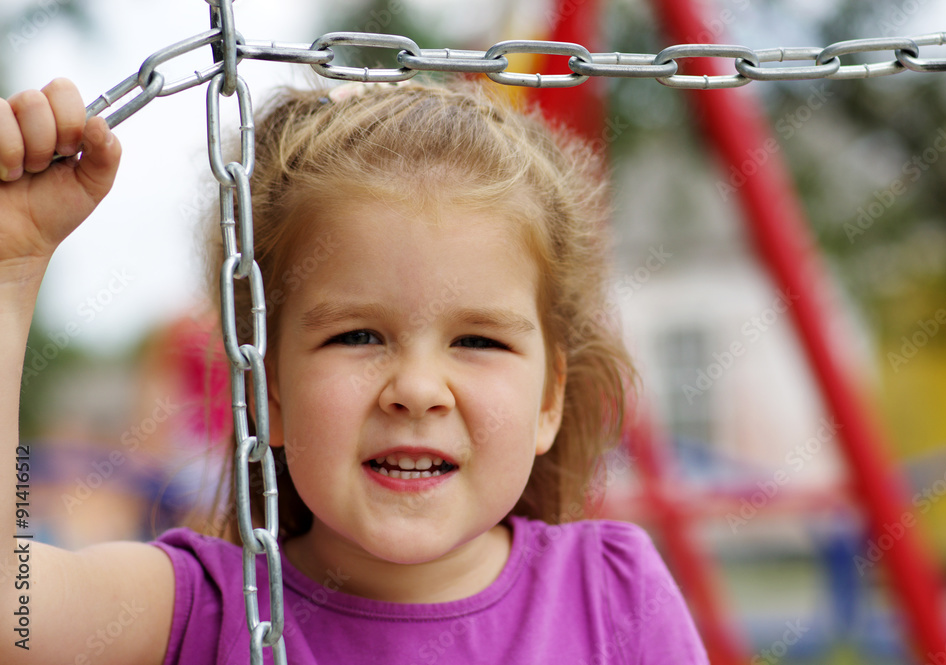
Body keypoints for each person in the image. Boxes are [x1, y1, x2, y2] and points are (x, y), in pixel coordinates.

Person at [0, 77, 709, 664]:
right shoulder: (205, 608)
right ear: (266, 387)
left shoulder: (613, 593)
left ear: (550, 398)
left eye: (478, 341)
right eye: (360, 335)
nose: (418, 390)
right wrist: (11, 274)